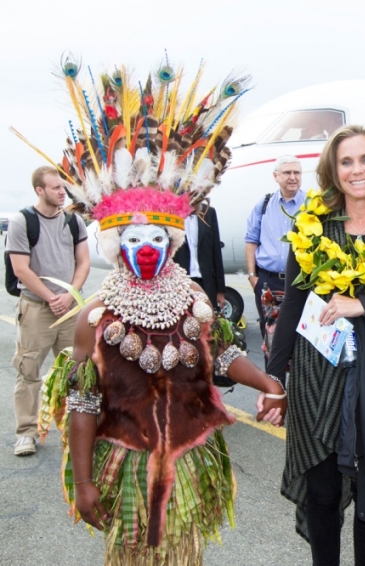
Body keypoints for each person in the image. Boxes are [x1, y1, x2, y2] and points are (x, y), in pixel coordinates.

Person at [34, 58, 286, 564]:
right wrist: (83, 482)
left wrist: (268, 384)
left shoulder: (193, 298)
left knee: (183, 555)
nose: (145, 247)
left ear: (170, 244)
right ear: (115, 244)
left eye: (155, 238)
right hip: (126, 462)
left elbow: (223, 353)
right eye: (132, 238)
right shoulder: (96, 316)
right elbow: (82, 407)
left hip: (188, 456)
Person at [267, 125, 365, 565]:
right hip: (318, 374)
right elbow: (293, 305)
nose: (357, 170)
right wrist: (276, 377)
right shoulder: (310, 228)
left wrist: (363, 305)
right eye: (346, 161)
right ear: (332, 171)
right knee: (323, 489)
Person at [6, 165, 90, 456]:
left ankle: (76, 430)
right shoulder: (22, 221)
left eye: (62, 187)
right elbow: (21, 269)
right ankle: (26, 433)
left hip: (69, 308)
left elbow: (83, 262)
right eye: (55, 188)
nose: (61, 192)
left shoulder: (73, 221)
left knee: (76, 372)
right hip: (36, 308)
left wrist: (69, 294)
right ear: (39, 190)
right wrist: (51, 297)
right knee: (28, 370)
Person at [245, 155, 306, 339]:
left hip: (300, 282)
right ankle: (271, 370)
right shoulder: (263, 205)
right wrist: (252, 277)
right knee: (271, 338)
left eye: (297, 172)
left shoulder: (312, 205)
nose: (293, 177)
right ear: (276, 176)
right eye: (287, 172)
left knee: (301, 337)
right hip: (268, 282)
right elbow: (251, 240)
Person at [174, 201, 226, 309]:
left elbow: (216, 250)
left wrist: (220, 290)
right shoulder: (172, 213)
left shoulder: (208, 212)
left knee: (208, 321)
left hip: (206, 282)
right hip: (181, 282)